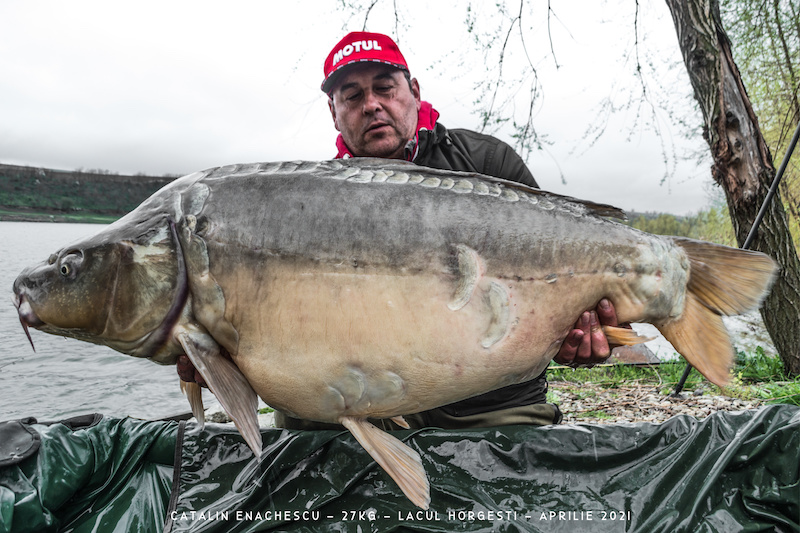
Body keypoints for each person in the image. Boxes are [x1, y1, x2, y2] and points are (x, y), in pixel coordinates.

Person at [274, 32, 627, 431]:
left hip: (487, 404)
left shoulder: (487, 162)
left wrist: (580, 330)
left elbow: (560, 278)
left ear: (415, 91)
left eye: (385, 88)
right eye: (352, 96)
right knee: (296, 440)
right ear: (333, 112)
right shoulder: (310, 203)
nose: (371, 105)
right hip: (354, 404)